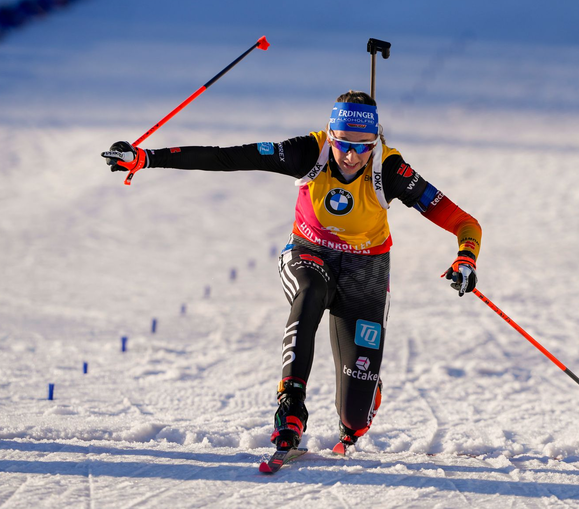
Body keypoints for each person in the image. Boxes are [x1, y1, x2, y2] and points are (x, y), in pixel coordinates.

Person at [101, 91, 482, 452]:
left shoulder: (391, 169)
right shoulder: (307, 152)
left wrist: (466, 258)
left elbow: (465, 222)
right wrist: (145, 158)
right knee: (311, 290)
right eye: (342, 143)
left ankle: (361, 397)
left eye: (362, 147)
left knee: (355, 421)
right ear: (329, 135)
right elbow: (228, 157)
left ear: (375, 142)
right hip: (309, 253)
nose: (350, 156)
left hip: (366, 270)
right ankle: (291, 405)